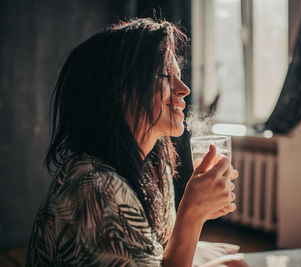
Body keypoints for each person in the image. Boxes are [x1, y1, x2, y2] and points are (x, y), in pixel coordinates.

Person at [26, 18, 246, 266]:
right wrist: (192, 215)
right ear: (118, 90)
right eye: (165, 76)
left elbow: (154, 252)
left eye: (179, 76)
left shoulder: (155, 169)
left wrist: (196, 230)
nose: (183, 89)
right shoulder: (97, 190)